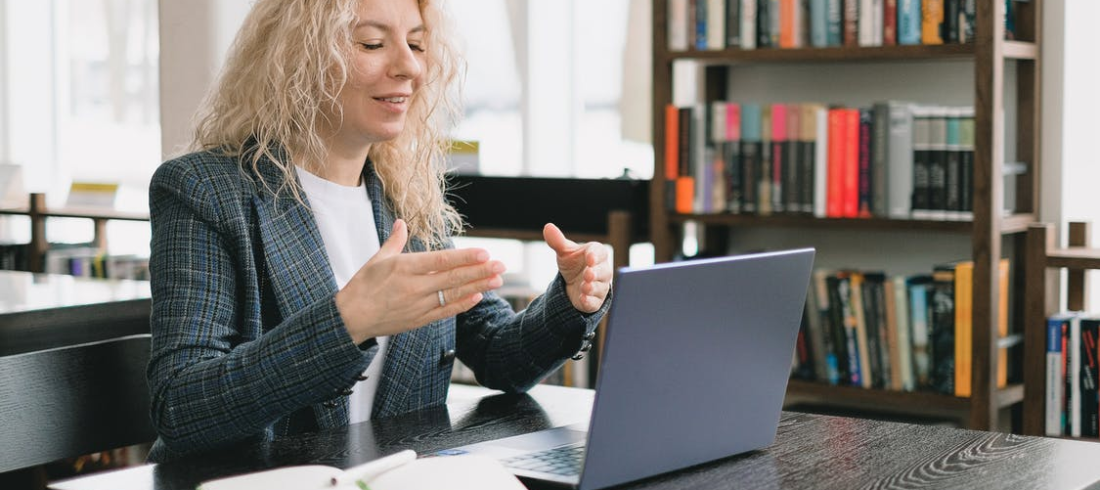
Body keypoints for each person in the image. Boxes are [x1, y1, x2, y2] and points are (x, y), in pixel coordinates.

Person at [146, 0, 612, 462]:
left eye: (416, 43)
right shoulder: (202, 190)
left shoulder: (404, 194)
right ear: (296, 57)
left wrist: (570, 300)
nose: (410, 67)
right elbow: (183, 407)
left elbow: (497, 352)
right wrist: (348, 322)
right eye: (372, 43)